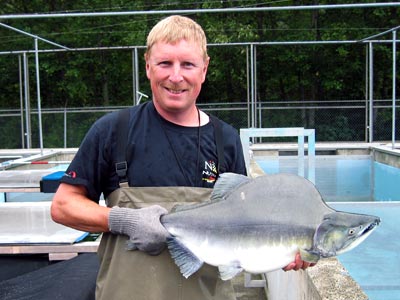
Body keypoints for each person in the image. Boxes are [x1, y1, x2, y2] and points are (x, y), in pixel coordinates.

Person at [51, 15, 312, 300]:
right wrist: (124, 220)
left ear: (204, 68)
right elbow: (64, 206)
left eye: (187, 64)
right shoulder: (113, 131)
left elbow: (247, 224)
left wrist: (286, 250)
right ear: (148, 65)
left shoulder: (225, 140)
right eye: (165, 63)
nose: (176, 77)